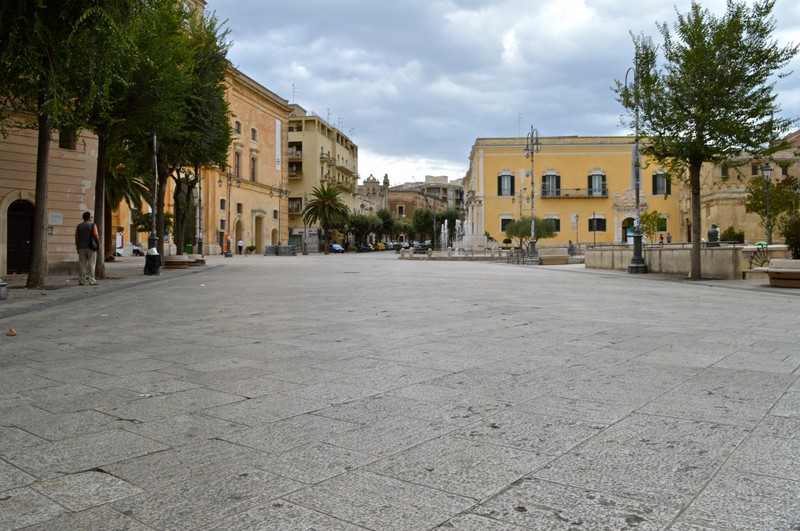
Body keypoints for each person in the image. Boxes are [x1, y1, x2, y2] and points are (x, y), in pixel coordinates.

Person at [74, 211, 99, 285]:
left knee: (82, 264)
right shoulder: (93, 225)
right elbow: (96, 235)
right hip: (91, 247)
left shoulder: (79, 226)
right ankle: (92, 280)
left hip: (81, 247)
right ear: (89, 217)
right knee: (91, 264)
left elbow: (76, 237)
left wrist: (77, 247)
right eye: (91, 217)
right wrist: (98, 244)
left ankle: (81, 280)